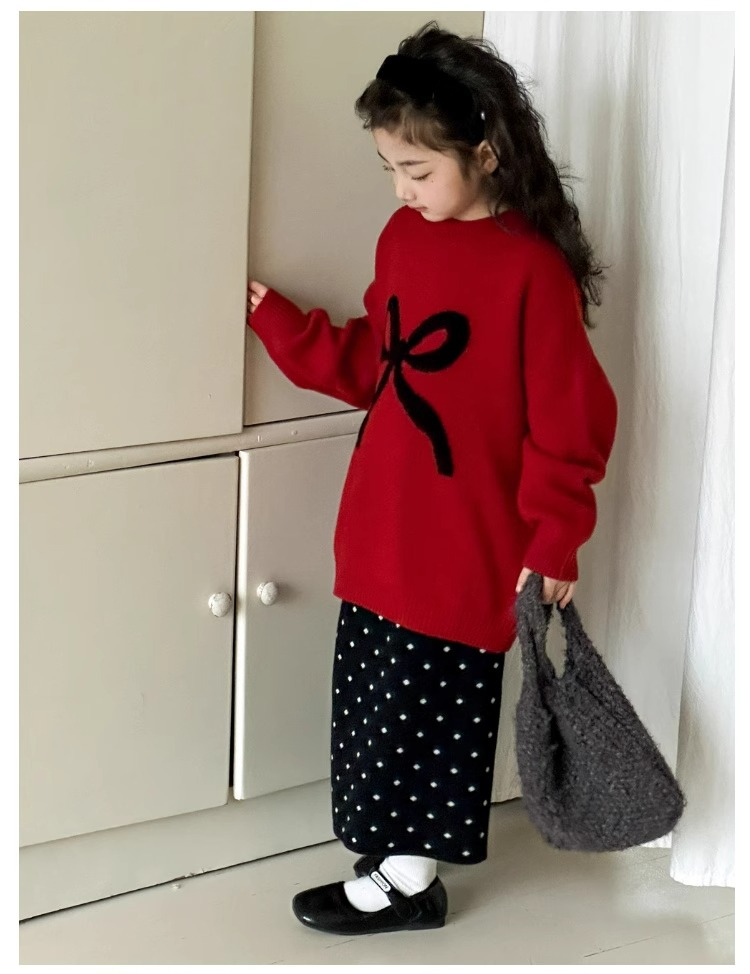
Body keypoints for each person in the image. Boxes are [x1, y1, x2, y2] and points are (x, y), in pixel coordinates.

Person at [246, 21, 618, 936]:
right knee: (376, 706)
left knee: (434, 712)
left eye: (417, 170)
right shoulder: (404, 240)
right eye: (390, 171)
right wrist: (283, 325)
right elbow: (378, 362)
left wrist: (556, 536)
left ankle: (411, 884)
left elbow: (570, 420)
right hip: (384, 524)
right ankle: (390, 857)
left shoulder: (531, 270)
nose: (402, 190)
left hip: (467, 542)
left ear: (484, 151)